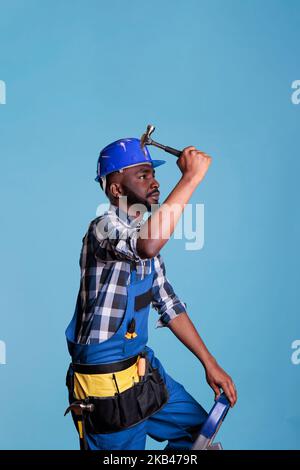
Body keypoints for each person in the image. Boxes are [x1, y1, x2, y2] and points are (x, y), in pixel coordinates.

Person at [65, 137, 237, 450]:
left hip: (144, 374)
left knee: (200, 439)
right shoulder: (102, 229)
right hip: (107, 390)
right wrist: (190, 178)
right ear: (116, 189)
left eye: (153, 174)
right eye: (142, 175)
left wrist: (209, 363)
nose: (154, 181)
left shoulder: (144, 239)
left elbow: (168, 304)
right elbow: (148, 244)